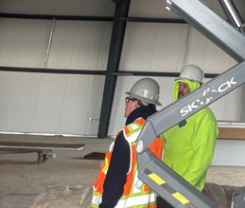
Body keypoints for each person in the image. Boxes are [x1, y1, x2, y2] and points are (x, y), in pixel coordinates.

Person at [91, 78, 163, 208]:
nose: (126, 104)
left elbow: (115, 180)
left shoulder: (128, 135)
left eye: (129, 99)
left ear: (138, 103)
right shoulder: (158, 135)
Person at [158, 64, 218, 205]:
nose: (180, 90)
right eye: (179, 86)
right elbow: (162, 142)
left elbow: (203, 158)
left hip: (185, 190)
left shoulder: (204, 117)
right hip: (164, 184)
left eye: (185, 86)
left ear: (195, 87)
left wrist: (183, 187)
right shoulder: (173, 113)